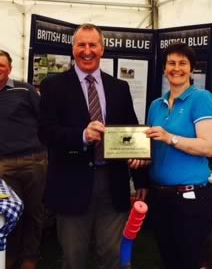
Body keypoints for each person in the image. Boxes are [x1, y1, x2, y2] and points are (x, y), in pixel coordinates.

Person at [38, 23, 148, 269]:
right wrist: (82, 135)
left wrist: (140, 178)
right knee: (73, 257)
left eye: (92, 45)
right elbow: (46, 133)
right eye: (81, 45)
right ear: (73, 49)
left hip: (114, 182)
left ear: (102, 48)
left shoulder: (120, 87)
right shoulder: (53, 86)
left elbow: (131, 130)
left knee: (112, 255)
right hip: (71, 182)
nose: (87, 51)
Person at [144, 43, 212, 269]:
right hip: (160, 197)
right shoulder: (156, 105)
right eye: (171, 63)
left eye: (183, 63)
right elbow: (152, 148)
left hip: (190, 200)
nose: (176, 68)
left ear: (192, 69)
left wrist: (170, 138)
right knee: (169, 258)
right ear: (164, 69)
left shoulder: (202, 99)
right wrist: (140, 157)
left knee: (191, 260)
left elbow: (208, 147)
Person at [0, 50, 47, 269]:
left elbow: (44, 120)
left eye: (1, 65)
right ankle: (8, 259)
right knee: (8, 215)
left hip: (34, 162)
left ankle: (30, 259)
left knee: (33, 213)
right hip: (4, 167)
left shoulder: (24, 89)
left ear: (9, 68)